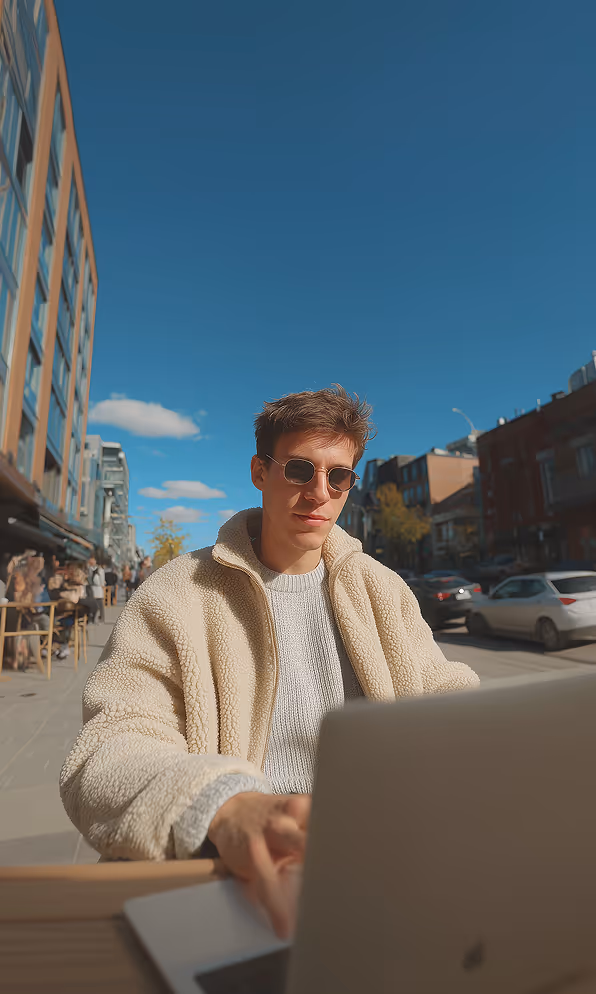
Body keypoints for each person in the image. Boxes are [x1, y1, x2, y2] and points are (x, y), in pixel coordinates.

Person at [61, 386, 479, 935]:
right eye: (301, 469)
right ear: (260, 471)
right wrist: (223, 808)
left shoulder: (382, 591)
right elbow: (104, 754)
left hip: (376, 876)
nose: (319, 492)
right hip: (222, 881)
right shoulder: (177, 593)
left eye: (339, 476)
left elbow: (445, 699)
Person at [87, 557, 106, 623]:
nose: (91, 561)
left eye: (93, 560)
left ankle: (101, 617)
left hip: (98, 588)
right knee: (92, 603)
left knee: (100, 604)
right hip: (91, 587)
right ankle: (91, 617)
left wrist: (102, 586)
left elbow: (102, 579)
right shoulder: (89, 569)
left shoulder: (100, 569)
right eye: (90, 560)